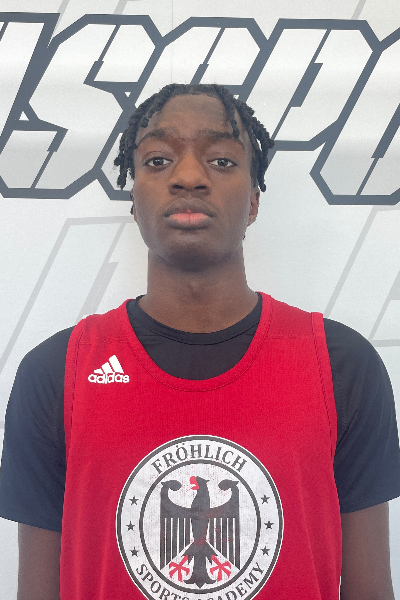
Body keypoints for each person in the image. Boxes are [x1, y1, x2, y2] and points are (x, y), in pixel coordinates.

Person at [0, 83, 400, 600]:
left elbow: (371, 588)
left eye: (222, 161)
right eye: (158, 160)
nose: (188, 176)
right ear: (133, 198)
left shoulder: (342, 365)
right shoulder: (57, 372)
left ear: (253, 201)